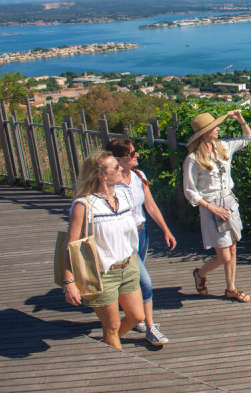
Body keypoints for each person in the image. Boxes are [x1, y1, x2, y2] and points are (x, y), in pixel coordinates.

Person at [61, 150, 144, 349]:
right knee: (112, 326)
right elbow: (71, 245)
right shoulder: (84, 205)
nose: (121, 169)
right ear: (101, 175)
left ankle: (106, 345)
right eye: (116, 167)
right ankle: (115, 358)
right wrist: (69, 282)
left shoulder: (124, 195)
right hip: (102, 273)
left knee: (136, 316)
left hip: (129, 265)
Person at [106, 138, 177, 346]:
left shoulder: (139, 176)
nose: (136, 155)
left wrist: (166, 229)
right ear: (118, 159)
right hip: (124, 238)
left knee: (134, 278)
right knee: (145, 281)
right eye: (131, 154)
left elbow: (151, 206)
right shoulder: (111, 182)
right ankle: (150, 327)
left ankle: (133, 316)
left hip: (141, 232)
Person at [183, 110, 251, 302]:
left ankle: (230, 288)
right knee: (223, 255)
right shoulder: (193, 159)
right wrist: (211, 208)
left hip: (229, 203)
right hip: (212, 207)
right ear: (205, 133)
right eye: (214, 127)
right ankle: (200, 273)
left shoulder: (223, 147)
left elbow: (249, 137)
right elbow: (190, 191)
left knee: (232, 249)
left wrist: (240, 119)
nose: (218, 128)